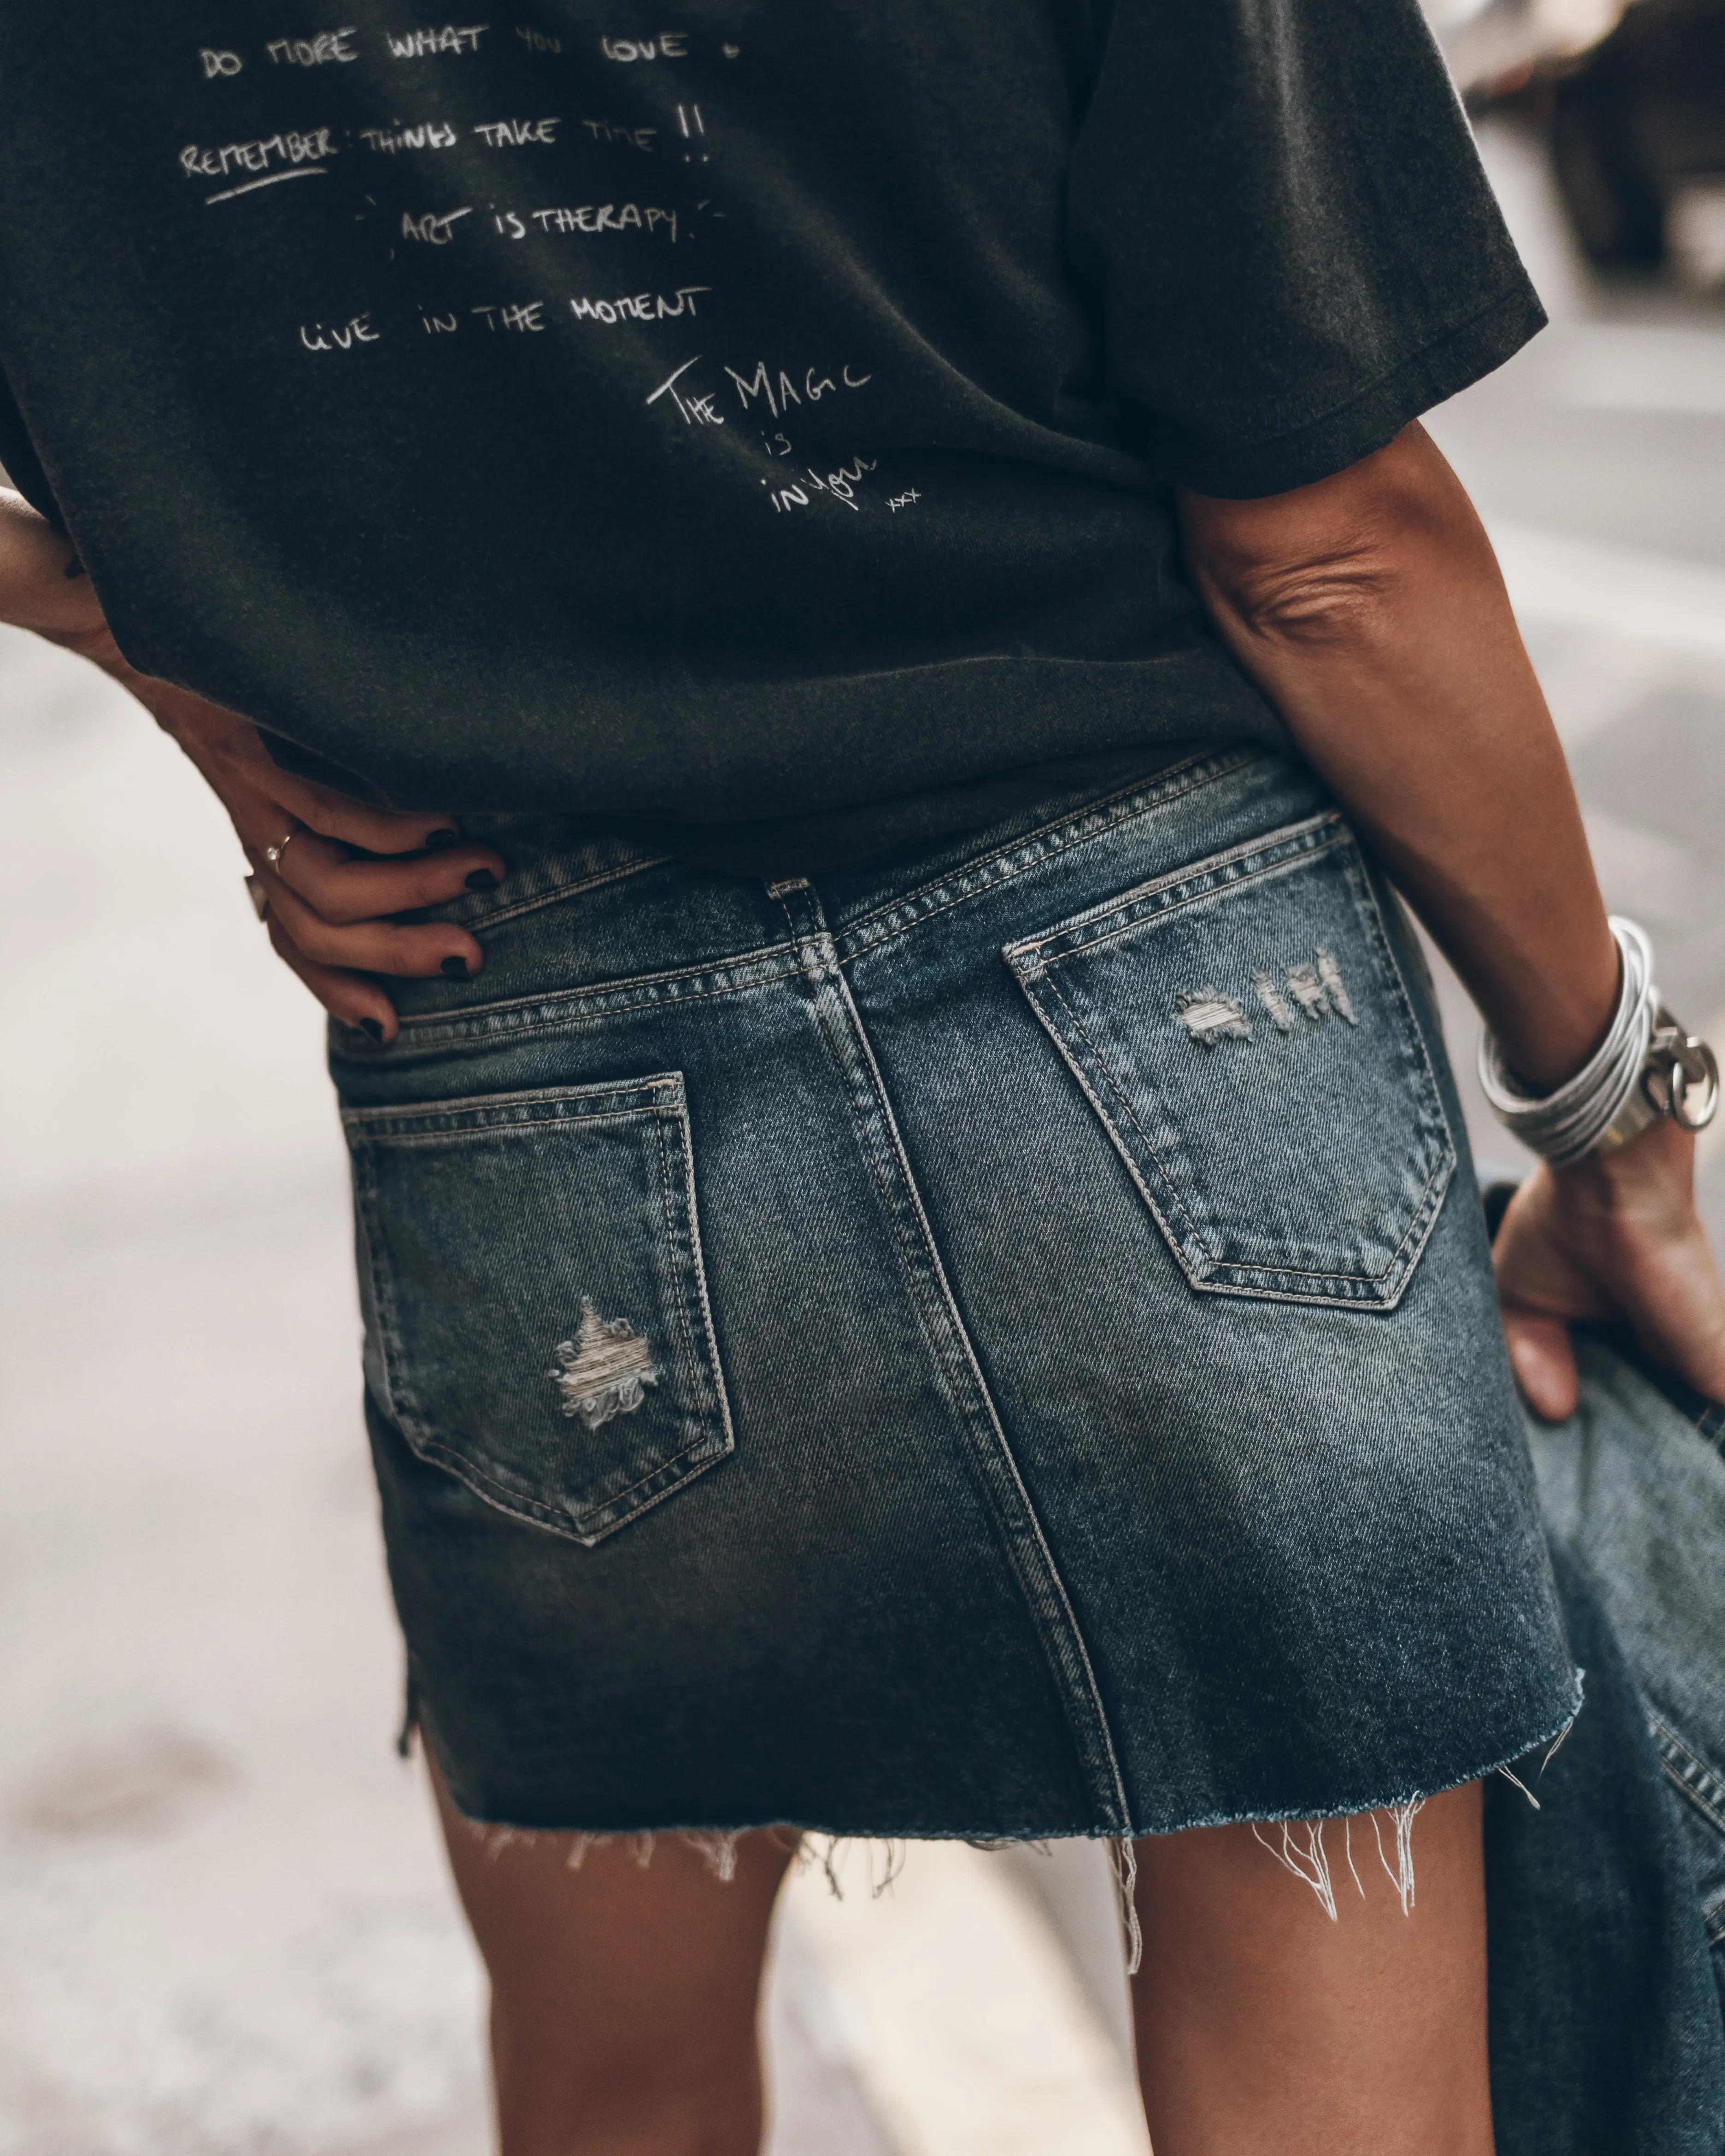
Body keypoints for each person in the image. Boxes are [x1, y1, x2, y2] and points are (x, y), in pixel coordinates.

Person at [1, 3, 1721, 2149]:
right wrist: (1612, 1119)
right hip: (1177, 1000)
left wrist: (142, 633)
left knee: (617, 2091)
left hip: (510, 1016)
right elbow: (1327, 549)